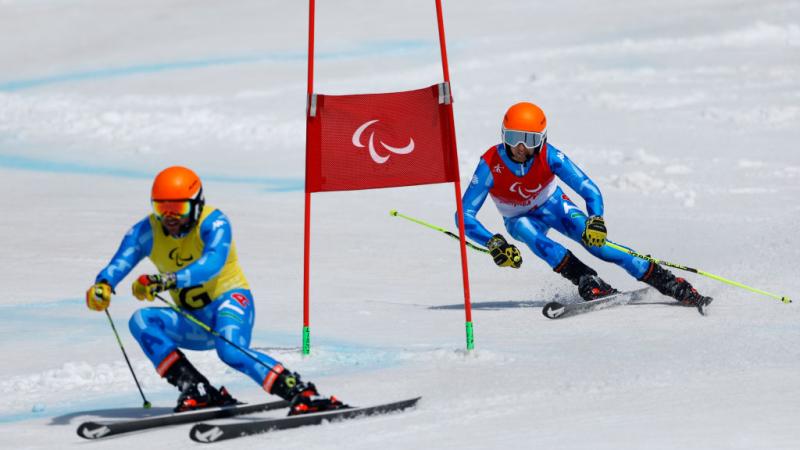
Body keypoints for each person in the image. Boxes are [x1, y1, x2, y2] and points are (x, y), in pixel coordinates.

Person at [85, 166, 345, 414]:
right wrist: (103, 286)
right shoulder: (146, 231)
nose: (170, 217)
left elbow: (211, 264)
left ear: (196, 205)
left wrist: (164, 280)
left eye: (178, 208)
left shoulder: (215, 223)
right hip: (193, 320)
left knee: (230, 350)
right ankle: (195, 387)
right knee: (140, 321)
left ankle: (301, 392)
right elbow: (120, 262)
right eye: (161, 208)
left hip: (230, 303)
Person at [457, 102, 712, 311]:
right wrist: (493, 242)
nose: (521, 147)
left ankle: (667, 281)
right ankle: (585, 279)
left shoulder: (550, 155)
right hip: (518, 217)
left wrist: (596, 219)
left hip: (554, 205)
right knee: (529, 233)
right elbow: (464, 215)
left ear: (542, 139)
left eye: (529, 139)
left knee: (597, 244)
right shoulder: (491, 164)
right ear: (504, 135)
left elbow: (588, 189)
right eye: (514, 138)